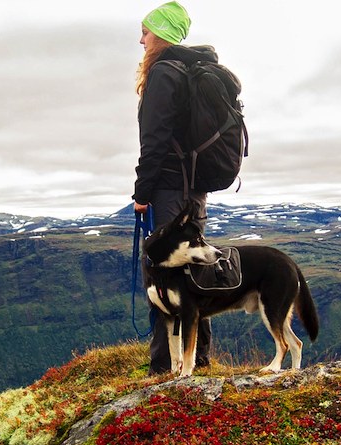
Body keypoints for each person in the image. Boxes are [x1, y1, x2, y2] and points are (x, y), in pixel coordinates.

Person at [133, 1, 217, 374]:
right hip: (194, 189)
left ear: (163, 35)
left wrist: (141, 193)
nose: (141, 40)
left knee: (165, 273)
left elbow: (154, 141)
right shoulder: (189, 71)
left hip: (169, 188)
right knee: (193, 270)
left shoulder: (164, 73)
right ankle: (197, 359)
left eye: (146, 32)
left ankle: (163, 365)